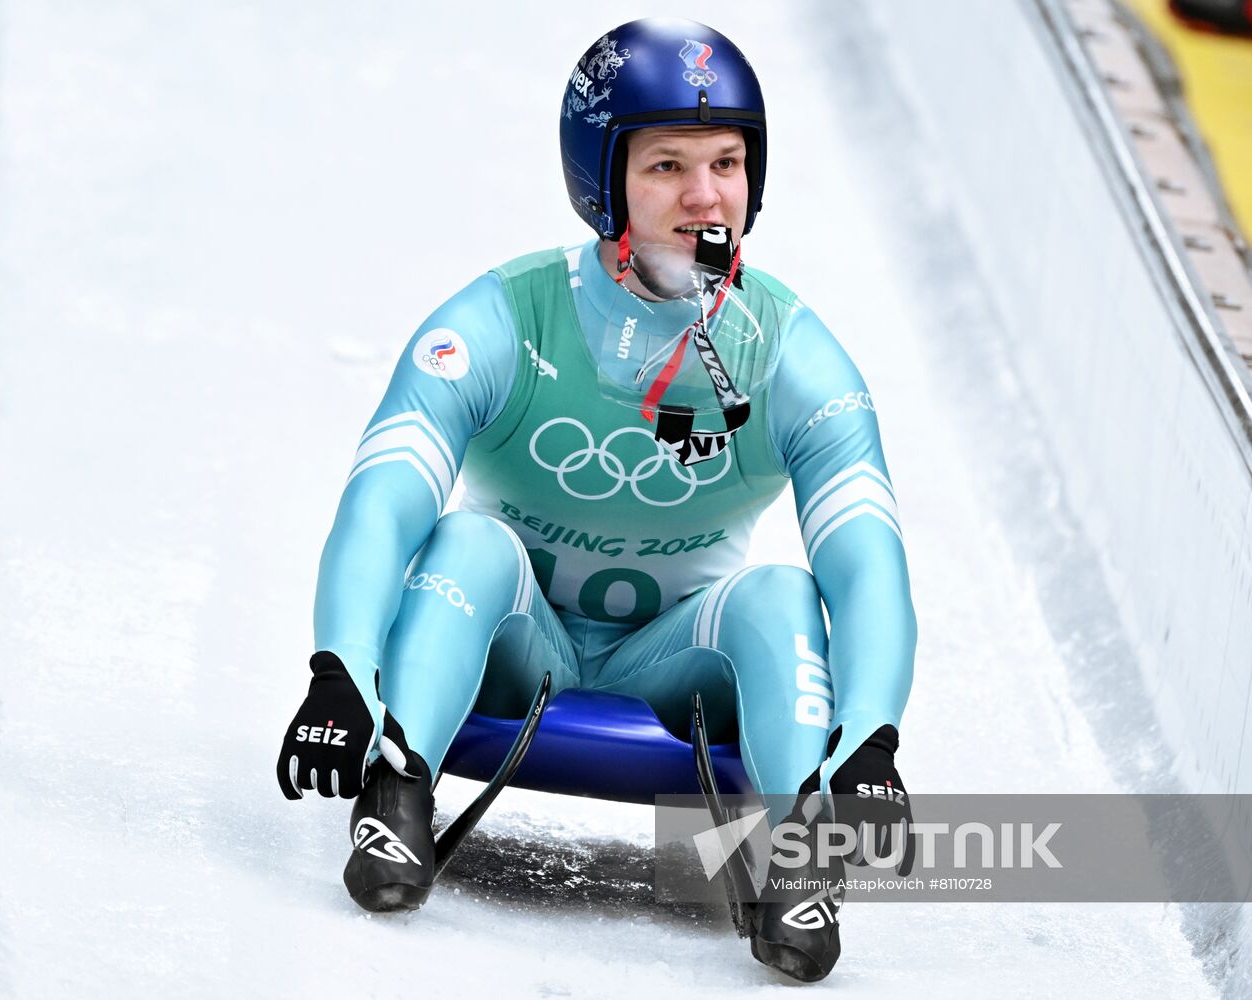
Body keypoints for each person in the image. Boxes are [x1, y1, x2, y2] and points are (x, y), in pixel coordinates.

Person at [275, 17, 917, 983]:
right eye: (666, 166)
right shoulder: (501, 315)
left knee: (782, 592)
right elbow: (384, 499)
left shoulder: (791, 351)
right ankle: (395, 792)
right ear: (602, 179)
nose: (706, 198)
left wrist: (870, 741)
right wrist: (339, 671)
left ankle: (802, 854)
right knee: (468, 542)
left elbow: (866, 563)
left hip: (681, 665)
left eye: (728, 164)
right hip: (511, 638)